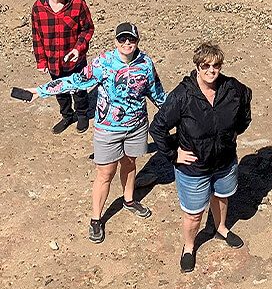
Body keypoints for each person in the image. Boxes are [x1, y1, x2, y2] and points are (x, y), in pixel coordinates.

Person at [24, 23, 167, 243]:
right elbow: (76, 81)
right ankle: (96, 219)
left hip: (137, 126)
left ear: (137, 40)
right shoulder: (103, 63)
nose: (127, 43)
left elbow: (157, 93)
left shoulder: (146, 63)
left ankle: (128, 200)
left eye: (131, 40)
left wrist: (182, 115)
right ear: (115, 41)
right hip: (108, 129)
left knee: (129, 163)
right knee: (105, 173)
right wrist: (41, 91)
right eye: (122, 39)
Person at [149, 42, 252, 273]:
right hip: (194, 168)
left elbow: (246, 104)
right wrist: (173, 154)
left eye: (216, 66)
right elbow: (157, 127)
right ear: (197, 66)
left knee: (222, 197)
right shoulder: (183, 95)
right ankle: (188, 246)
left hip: (224, 161)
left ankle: (221, 228)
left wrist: (235, 132)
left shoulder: (232, 88)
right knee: (194, 215)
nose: (211, 71)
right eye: (205, 66)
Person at [31, 0, 95, 134]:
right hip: (53, 60)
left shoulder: (78, 4)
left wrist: (77, 48)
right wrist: (41, 61)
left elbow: (87, 29)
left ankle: (82, 115)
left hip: (75, 59)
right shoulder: (38, 9)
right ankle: (67, 116)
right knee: (59, 90)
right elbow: (37, 36)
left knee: (79, 88)